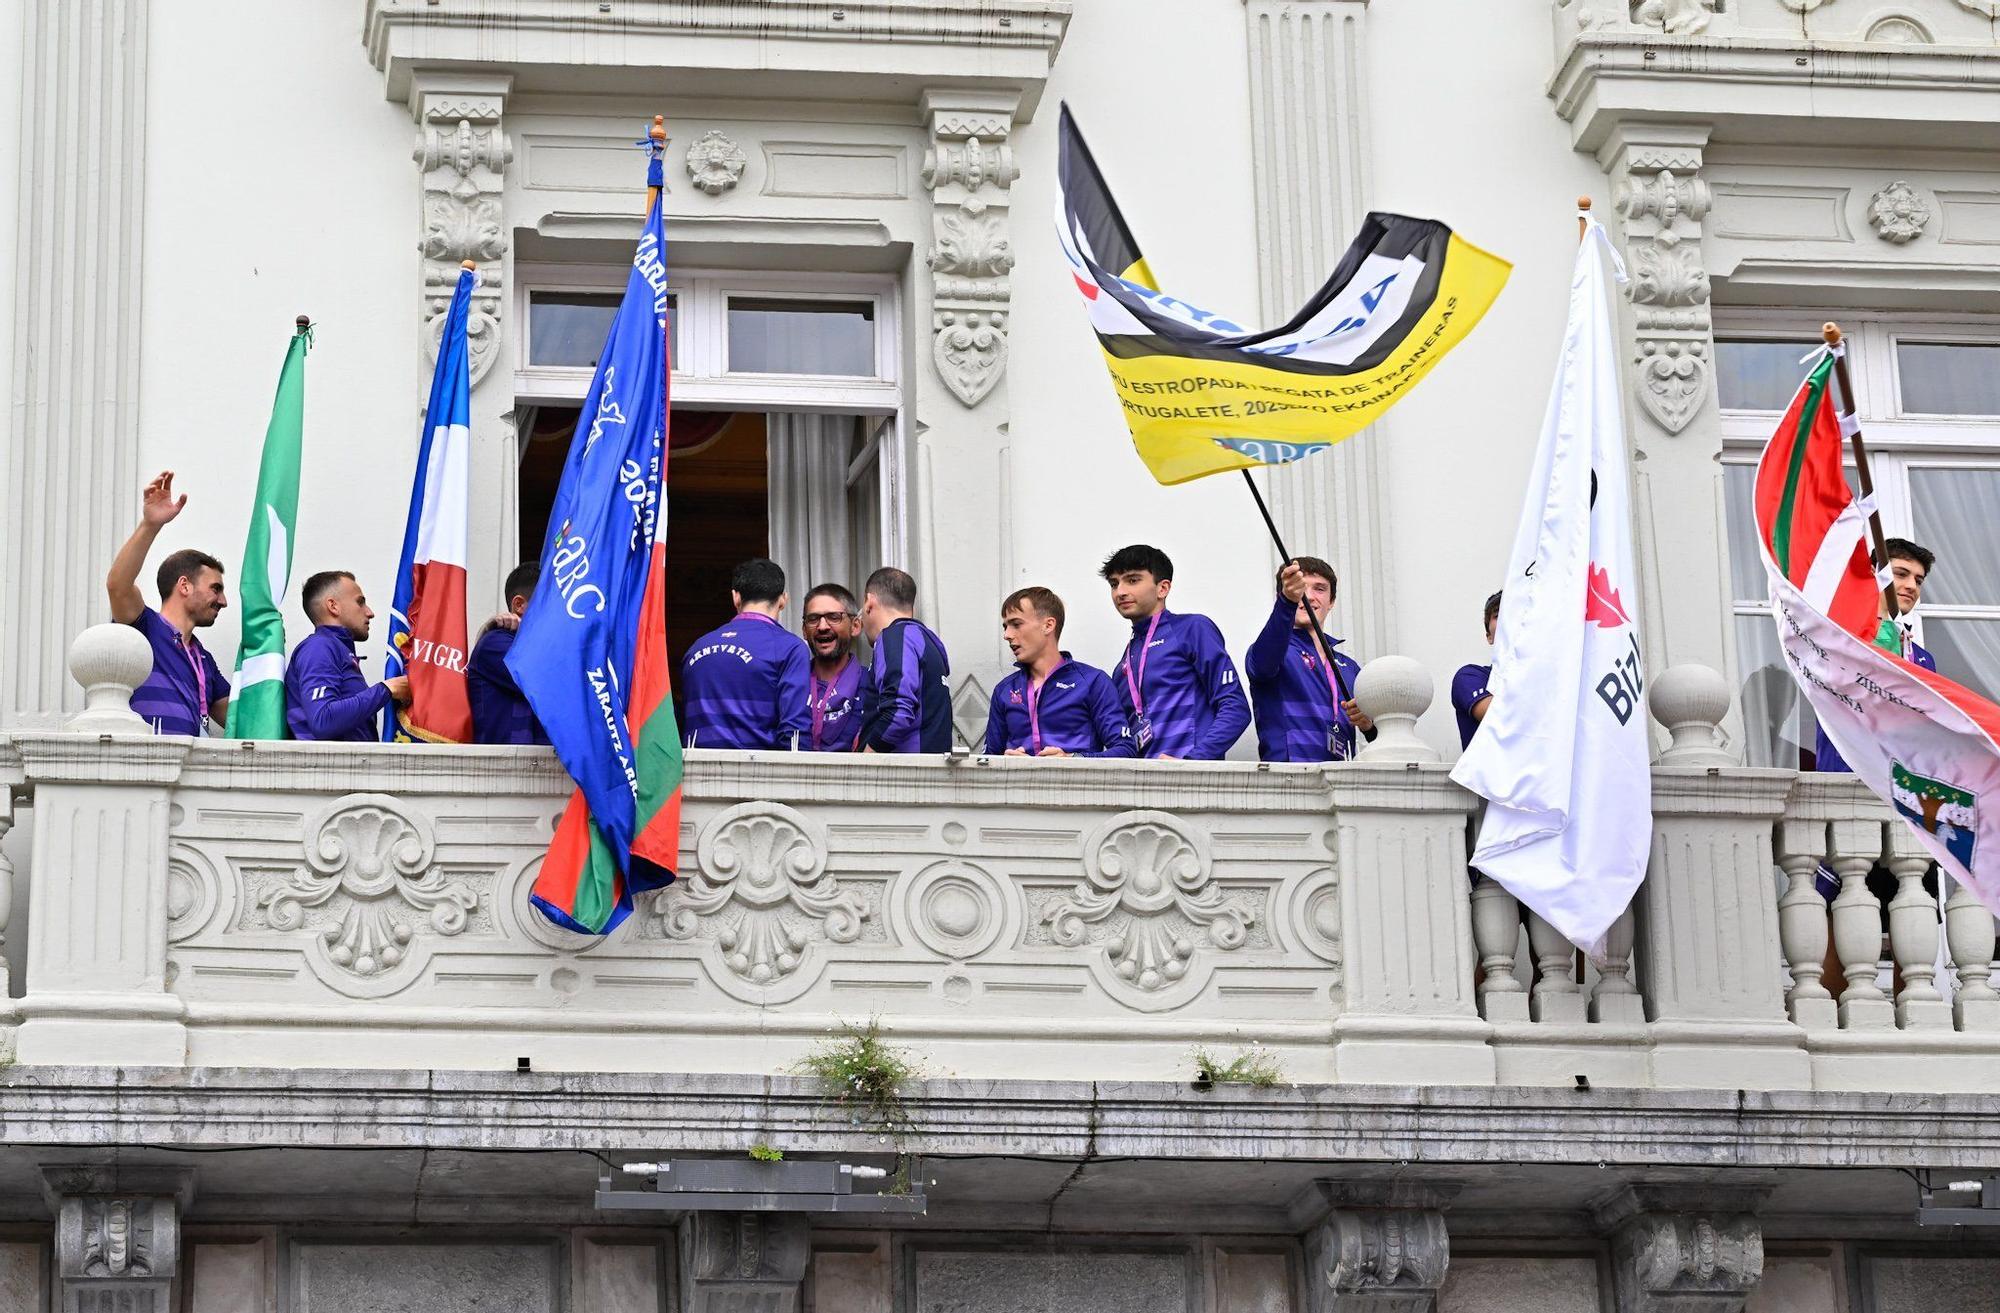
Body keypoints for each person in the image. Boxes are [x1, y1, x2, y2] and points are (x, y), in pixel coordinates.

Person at [105, 471, 232, 736]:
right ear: (184, 586)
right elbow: (118, 586)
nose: (223, 601)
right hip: (145, 768)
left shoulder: (203, 659)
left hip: (188, 773)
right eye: (215, 589)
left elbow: (240, 716)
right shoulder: (144, 627)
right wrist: (150, 526)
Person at [1101, 544, 1250, 761]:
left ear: (1163, 588)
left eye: (1132, 580)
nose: (1120, 592)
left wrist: (1193, 762)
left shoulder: (1193, 629)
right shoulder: (1123, 665)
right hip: (1144, 786)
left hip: (1191, 783)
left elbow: (1235, 708)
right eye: (1114, 584)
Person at [1813, 538, 1937, 775]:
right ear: (1873, 574)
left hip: (1903, 786)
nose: (1912, 585)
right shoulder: (1838, 638)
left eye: (1918, 580)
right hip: (1847, 778)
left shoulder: (1922, 659)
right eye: (1901, 574)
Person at [1244, 557, 1371, 762]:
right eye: (1301, 588)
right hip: (1290, 782)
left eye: (1320, 589)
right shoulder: (1272, 650)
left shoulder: (1350, 667)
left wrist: (1368, 725)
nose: (1308, 596)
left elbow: (1379, 735)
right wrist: (1287, 601)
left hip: (1343, 783)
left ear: (1331, 602)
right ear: (1283, 594)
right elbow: (1263, 664)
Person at [985, 587, 1135, 758]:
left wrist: (1071, 760)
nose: (1007, 635)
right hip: (1019, 785)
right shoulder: (1004, 690)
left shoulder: (1093, 681)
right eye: (1005, 626)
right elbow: (989, 759)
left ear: (1048, 625)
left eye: (1016, 624)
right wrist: (1007, 763)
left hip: (1076, 785)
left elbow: (1125, 750)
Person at [680, 558, 812, 750]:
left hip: (695, 772)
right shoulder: (790, 648)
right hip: (759, 774)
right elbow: (795, 732)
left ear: (735, 597)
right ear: (783, 599)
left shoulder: (696, 648)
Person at [286, 571, 410, 741]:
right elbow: (323, 720)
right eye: (360, 602)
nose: (370, 612)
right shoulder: (319, 647)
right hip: (328, 766)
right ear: (333, 606)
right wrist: (387, 689)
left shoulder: (335, 649)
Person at [856, 566, 952, 754]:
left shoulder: (895, 637)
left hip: (901, 773)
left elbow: (898, 711)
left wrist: (866, 759)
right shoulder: (930, 641)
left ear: (869, 602)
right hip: (931, 770)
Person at [468, 562, 550, 746]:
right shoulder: (494, 643)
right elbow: (546, 677)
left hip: (546, 768)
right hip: (506, 770)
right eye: (549, 605)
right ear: (519, 604)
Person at [801, 583, 867, 752]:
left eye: (834, 617)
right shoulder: (792, 684)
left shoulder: (873, 684)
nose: (822, 626)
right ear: (804, 630)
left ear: (855, 626)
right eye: (813, 619)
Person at [1451, 590, 1502, 750]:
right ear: (1489, 636)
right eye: (1498, 615)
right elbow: (1501, 718)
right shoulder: (1470, 676)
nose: (1508, 620)